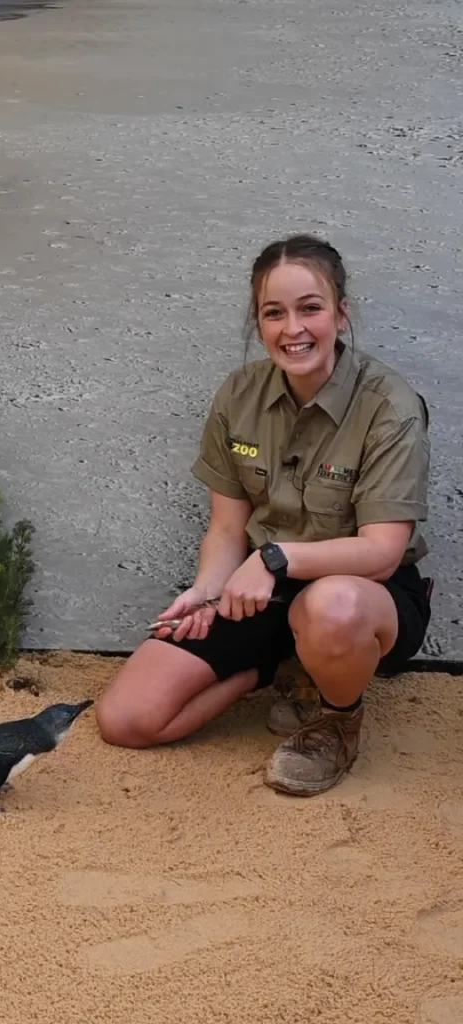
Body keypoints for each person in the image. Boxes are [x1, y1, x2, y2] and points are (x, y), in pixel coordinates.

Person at [95, 233, 433, 797]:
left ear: (341, 315)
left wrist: (275, 558)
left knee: (332, 605)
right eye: (274, 313)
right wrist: (207, 591)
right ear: (258, 322)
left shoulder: (388, 406)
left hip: (361, 595)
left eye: (310, 308)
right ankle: (274, 668)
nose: (292, 329)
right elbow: (227, 528)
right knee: (126, 720)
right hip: (259, 587)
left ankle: (336, 720)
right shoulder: (238, 394)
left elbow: (382, 550)